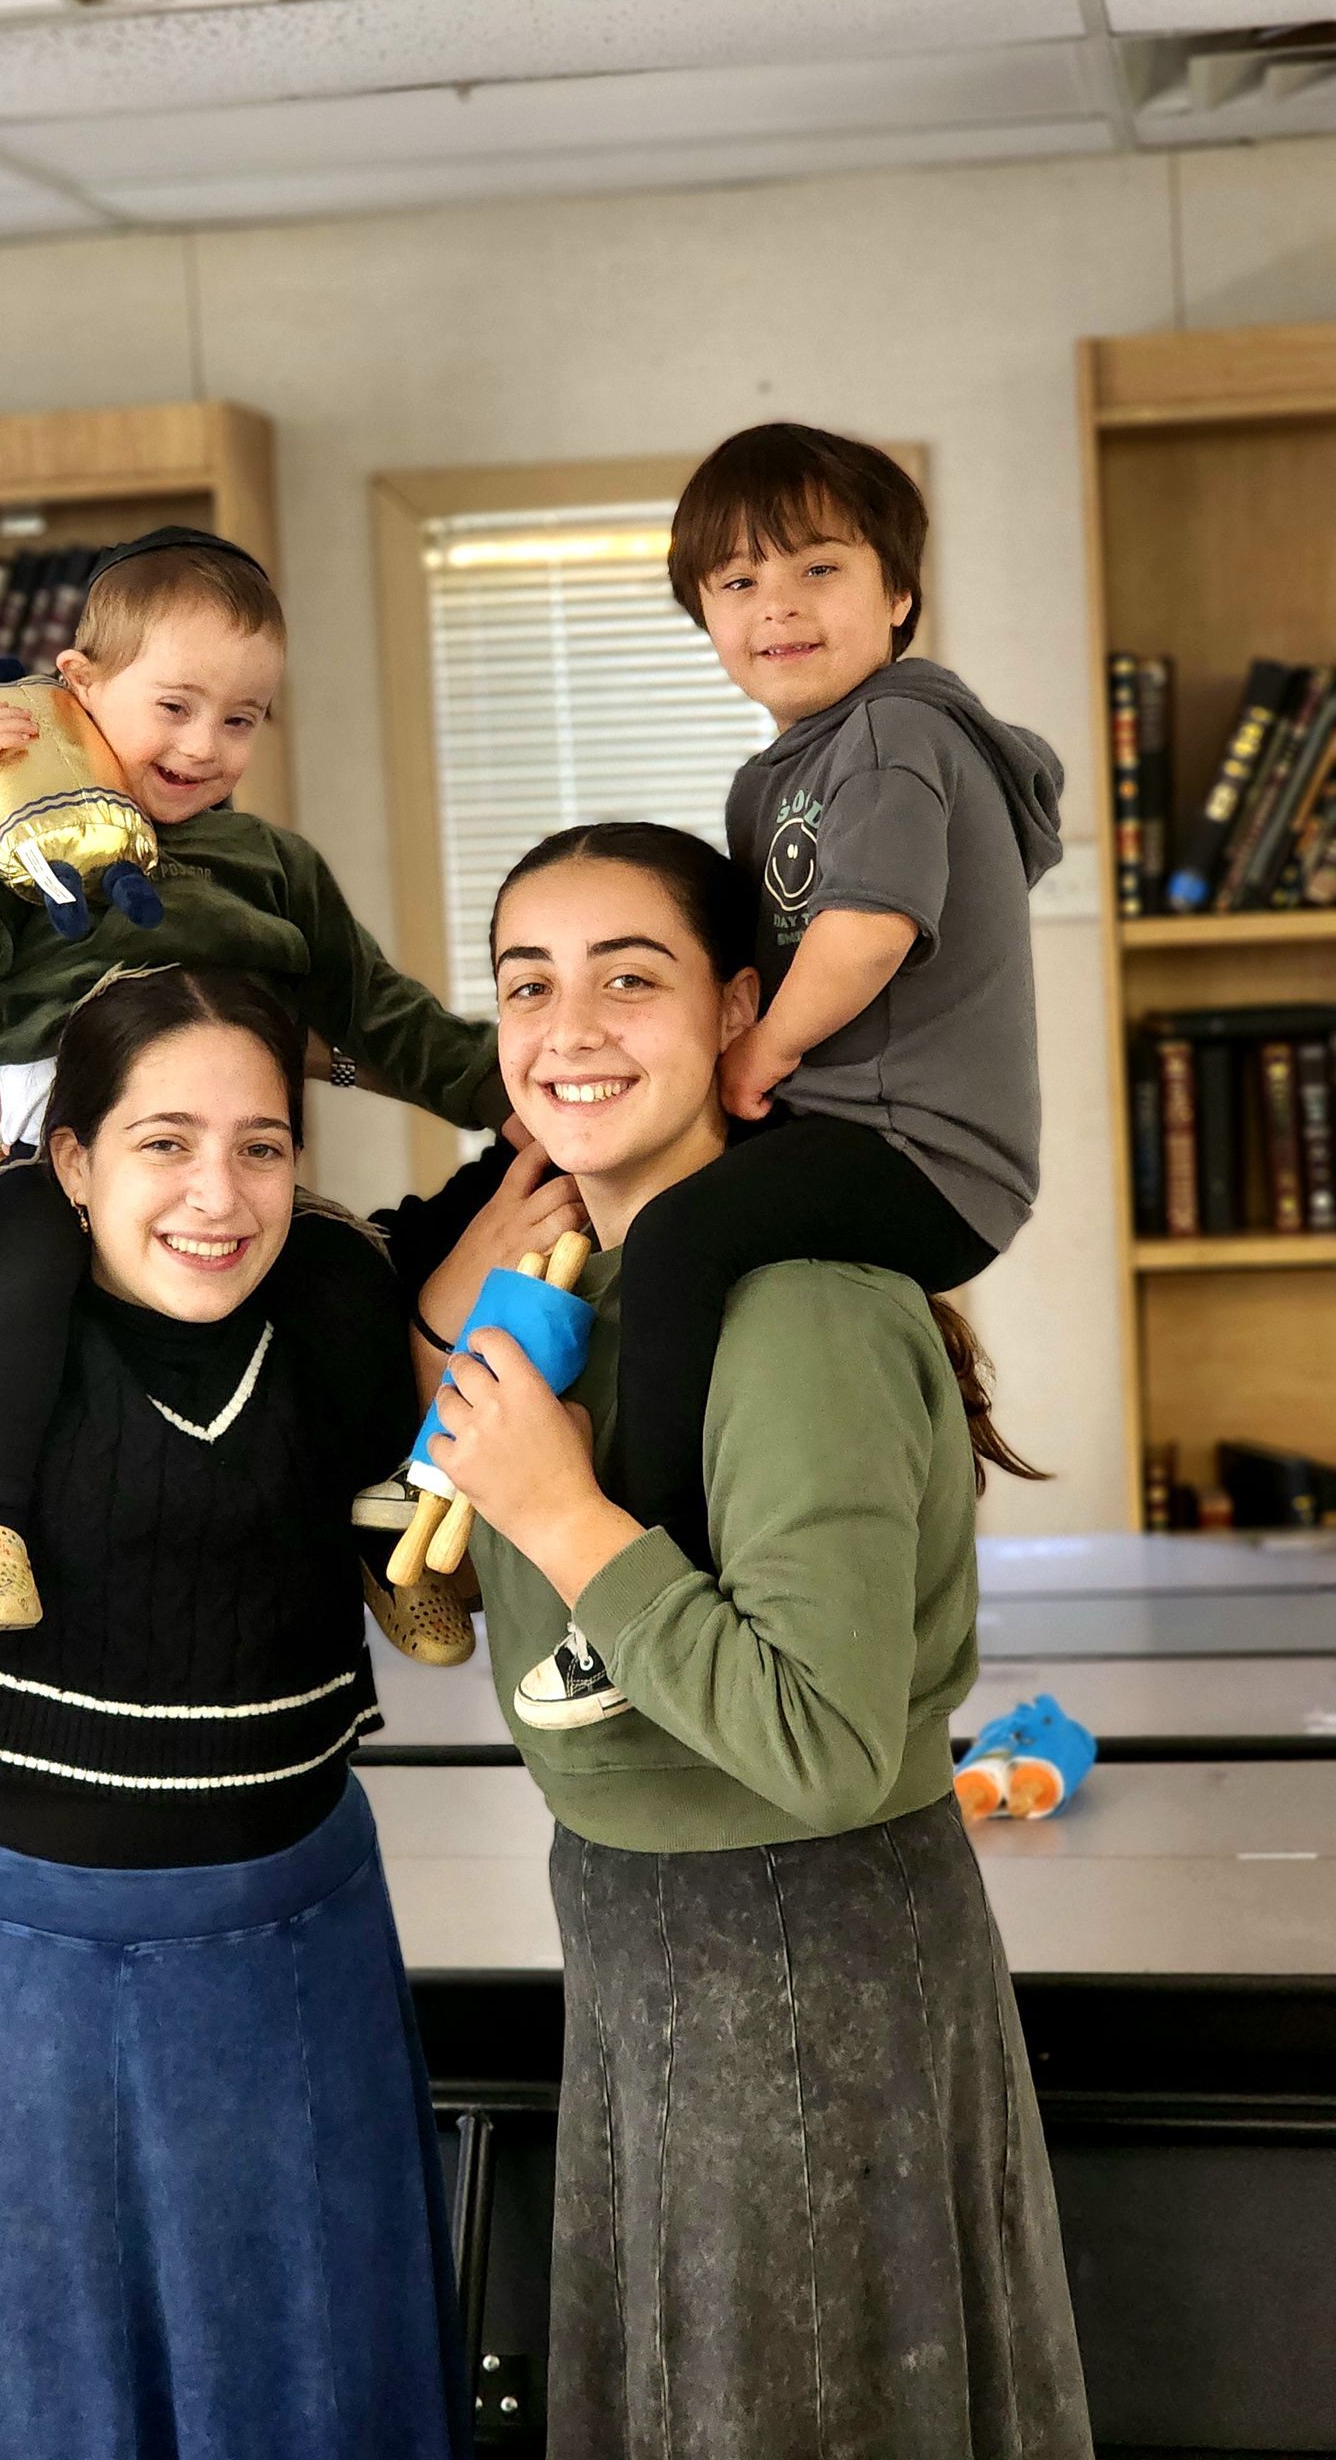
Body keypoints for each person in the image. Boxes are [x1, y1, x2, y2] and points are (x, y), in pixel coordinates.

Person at [0, 950, 471, 2460]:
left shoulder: (339, 1312)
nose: (219, 1194)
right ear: (69, 1157)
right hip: (19, 1966)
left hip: (296, 1947)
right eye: (162, 1143)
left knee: (311, 2388)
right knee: (34, 2398)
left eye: (261, 1145)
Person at [415, 822, 1091, 2460]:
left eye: (627, 979)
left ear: (736, 1010)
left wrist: (563, 1510)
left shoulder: (793, 1308)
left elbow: (834, 1742)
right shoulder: (584, 1289)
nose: (570, 1029)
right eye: (528, 986)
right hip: (646, 1939)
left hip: (801, 1962)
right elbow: (463, 1619)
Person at [515, 424, 1065, 1727]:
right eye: (737, 583)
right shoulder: (805, 761)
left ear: (898, 593)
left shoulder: (889, 737)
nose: (777, 607)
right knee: (571, 1189)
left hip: (922, 1149)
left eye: (817, 569)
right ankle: (459, 1469)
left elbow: (866, 933)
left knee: (680, 1235)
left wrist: (758, 1050)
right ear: (703, 613)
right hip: (862, 1131)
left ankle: (646, 1565)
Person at [0, 527, 506, 1649]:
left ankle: (379, 1529)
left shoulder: (274, 865)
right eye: (174, 706)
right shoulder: (19, 841)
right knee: (10, 1272)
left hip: (228, 1158)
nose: (204, 744)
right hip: (55, 1162)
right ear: (81, 686)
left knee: (349, 1272)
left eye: (241, 718)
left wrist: (500, 1093)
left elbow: (374, 1012)